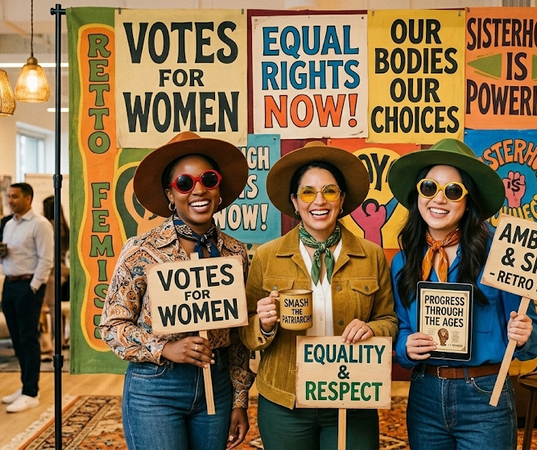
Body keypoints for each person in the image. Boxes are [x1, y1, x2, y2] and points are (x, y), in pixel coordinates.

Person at [99, 131, 254, 450]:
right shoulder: (141, 251)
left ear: (219, 189)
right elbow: (112, 327)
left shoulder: (235, 254)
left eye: (208, 179)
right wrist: (165, 348)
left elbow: (239, 335)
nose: (198, 190)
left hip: (217, 384)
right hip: (156, 388)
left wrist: (240, 399)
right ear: (170, 195)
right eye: (185, 183)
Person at [387, 138, 537, 450]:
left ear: (469, 199)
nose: (439, 200)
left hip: (485, 395)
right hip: (425, 394)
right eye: (430, 188)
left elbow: (532, 329)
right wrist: (406, 345)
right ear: (417, 194)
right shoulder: (402, 261)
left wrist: (526, 335)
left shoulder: (501, 251)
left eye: (453, 191)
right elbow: (402, 326)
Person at [240, 142, 398, 450]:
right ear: (295, 202)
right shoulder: (266, 257)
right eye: (308, 192)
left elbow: (389, 320)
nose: (319, 201)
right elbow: (244, 330)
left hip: (352, 396)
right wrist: (265, 324)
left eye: (329, 191)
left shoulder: (371, 255)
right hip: (285, 402)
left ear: (342, 200)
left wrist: (373, 329)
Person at [0, 182, 54, 412]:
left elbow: (46, 259)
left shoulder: (40, 225)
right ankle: (24, 385)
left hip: (28, 287)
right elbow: (4, 257)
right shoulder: (8, 224)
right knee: (16, 339)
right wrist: (0, 256)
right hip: (9, 285)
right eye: (9, 196)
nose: (10, 200)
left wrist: (33, 287)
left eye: (15, 196)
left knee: (28, 339)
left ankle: (32, 392)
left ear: (28, 198)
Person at [41, 195, 70, 354]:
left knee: (51, 308)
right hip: (65, 270)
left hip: (52, 270)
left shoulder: (48, 226)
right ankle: (63, 338)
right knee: (59, 307)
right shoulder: (64, 225)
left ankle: (54, 341)